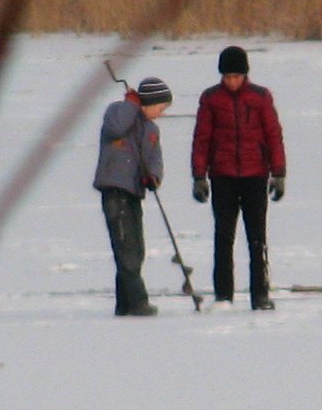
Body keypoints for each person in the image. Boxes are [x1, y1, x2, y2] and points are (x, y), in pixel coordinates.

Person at [191, 46, 286, 311]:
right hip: (223, 177)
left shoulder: (260, 97)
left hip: (256, 176)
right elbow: (202, 139)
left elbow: (273, 135)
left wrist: (278, 173)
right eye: (227, 76)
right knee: (223, 238)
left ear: (245, 74)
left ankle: (260, 295)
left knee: (257, 239)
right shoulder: (210, 99)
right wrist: (199, 176)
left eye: (236, 76)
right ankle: (223, 297)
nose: (232, 81)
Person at [93, 76, 173, 316]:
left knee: (135, 249)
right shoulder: (118, 112)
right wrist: (131, 104)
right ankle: (138, 302)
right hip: (115, 190)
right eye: (160, 108)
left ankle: (124, 303)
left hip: (134, 193)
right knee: (125, 246)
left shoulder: (151, 130)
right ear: (146, 103)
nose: (162, 113)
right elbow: (116, 127)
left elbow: (154, 158)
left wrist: (153, 177)